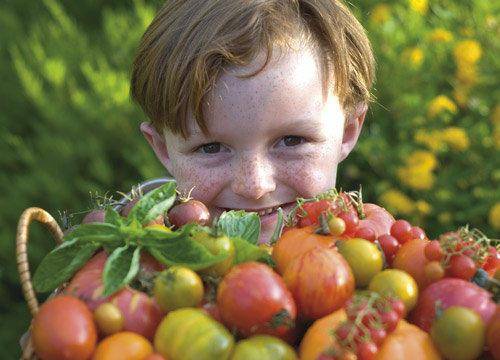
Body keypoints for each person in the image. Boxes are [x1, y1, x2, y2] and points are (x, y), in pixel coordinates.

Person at [130, 0, 375, 243]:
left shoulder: (389, 264)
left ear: (347, 131)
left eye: (291, 141)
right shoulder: (129, 268)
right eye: (211, 148)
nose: (254, 186)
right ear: (163, 149)